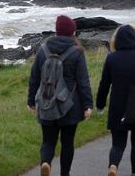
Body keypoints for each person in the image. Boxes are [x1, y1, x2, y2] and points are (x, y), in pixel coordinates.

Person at [27, 15, 93, 176]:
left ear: (57, 31)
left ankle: (45, 163)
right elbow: (83, 81)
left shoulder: (43, 49)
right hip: (70, 105)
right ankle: (65, 174)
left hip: (46, 102)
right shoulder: (77, 52)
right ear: (72, 32)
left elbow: (34, 76)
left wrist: (31, 101)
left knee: (48, 141)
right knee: (67, 143)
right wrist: (87, 105)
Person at [96, 24, 135, 176]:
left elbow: (104, 84)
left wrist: (100, 104)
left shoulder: (111, 59)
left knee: (117, 144)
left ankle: (113, 166)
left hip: (118, 106)